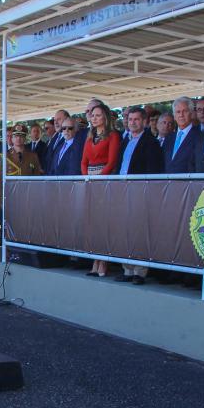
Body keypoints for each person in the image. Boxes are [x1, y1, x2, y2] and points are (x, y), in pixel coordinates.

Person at [115, 106, 164, 284]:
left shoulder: (151, 143)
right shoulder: (125, 141)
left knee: (139, 232)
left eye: (136, 119)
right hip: (123, 191)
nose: (133, 122)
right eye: (130, 120)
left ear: (143, 122)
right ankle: (127, 269)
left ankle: (140, 271)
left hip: (141, 193)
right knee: (125, 231)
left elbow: (153, 170)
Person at [81, 103, 122, 278]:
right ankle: (94, 260)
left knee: (104, 222)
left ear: (105, 117)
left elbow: (112, 162)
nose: (95, 118)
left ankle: (103, 261)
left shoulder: (112, 136)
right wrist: (87, 179)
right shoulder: (89, 137)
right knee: (93, 223)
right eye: (93, 115)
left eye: (98, 115)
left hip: (105, 180)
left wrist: (98, 179)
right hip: (90, 180)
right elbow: (83, 161)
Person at [164, 97, 201, 174]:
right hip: (167, 183)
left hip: (188, 183)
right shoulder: (169, 138)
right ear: (174, 116)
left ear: (191, 113)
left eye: (185, 111)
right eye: (178, 112)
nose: (181, 115)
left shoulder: (199, 136)